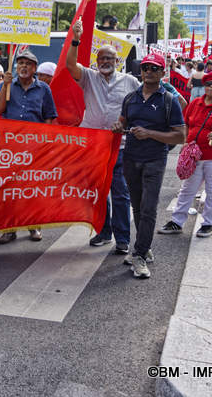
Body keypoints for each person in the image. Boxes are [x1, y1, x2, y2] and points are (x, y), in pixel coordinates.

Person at [65, 20, 139, 255]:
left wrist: (173, 95)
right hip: (93, 146)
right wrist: (76, 39)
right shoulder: (88, 76)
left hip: (120, 146)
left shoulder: (130, 82)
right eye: (102, 58)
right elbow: (69, 64)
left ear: (118, 62)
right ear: (96, 62)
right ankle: (104, 232)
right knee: (97, 192)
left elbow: (142, 101)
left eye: (110, 59)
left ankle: (123, 238)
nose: (105, 62)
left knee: (120, 192)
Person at [112, 53, 186, 278]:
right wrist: (118, 126)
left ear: (163, 73)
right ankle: (144, 247)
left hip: (155, 159)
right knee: (136, 207)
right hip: (131, 157)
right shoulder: (131, 98)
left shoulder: (168, 101)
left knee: (149, 208)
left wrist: (150, 134)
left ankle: (140, 254)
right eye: (145, 68)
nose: (149, 72)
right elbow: (123, 120)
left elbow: (180, 136)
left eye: (154, 68)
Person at [159, 71, 212, 238]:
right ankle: (176, 221)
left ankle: (208, 224)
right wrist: (185, 142)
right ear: (204, 86)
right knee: (187, 189)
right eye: (209, 84)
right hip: (194, 155)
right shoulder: (195, 103)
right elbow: (187, 124)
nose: (211, 87)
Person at [0, 49, 57, 244]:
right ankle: (9, 228)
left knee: (32, 187)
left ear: (34, 68)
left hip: (34, 147)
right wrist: (4, 86)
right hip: (11, 147)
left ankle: (33, 225)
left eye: (28, 64)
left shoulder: (44, 89)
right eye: (20, 63)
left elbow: (49, 115)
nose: (23, 66)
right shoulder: (8, 85)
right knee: (10, 188)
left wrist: (43, 141)